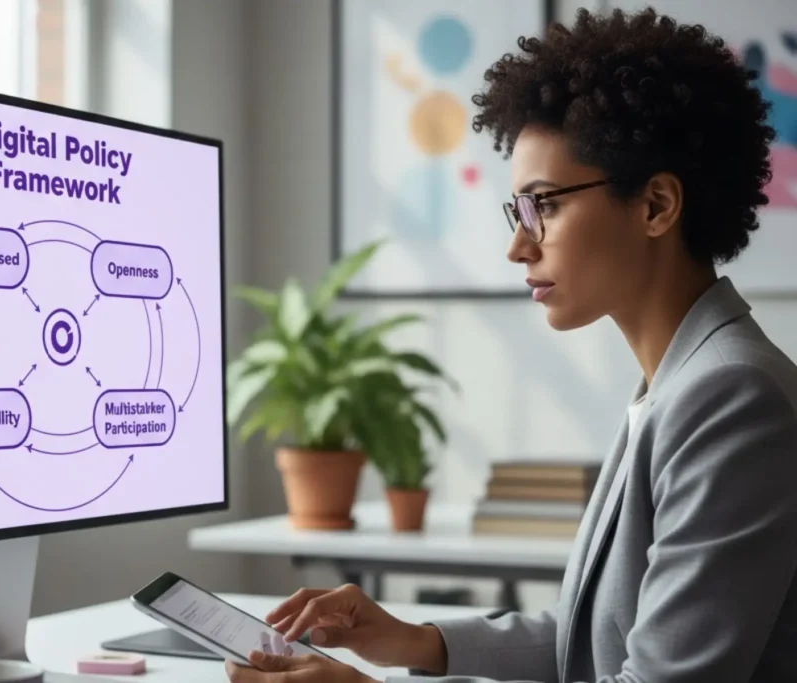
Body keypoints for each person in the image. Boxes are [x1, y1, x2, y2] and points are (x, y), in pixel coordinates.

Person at [226, 7, 797, 683]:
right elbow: (596, 639)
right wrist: (415, 640)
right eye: (517, 211)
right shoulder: (676, 384)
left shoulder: (731, 397)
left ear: (656, 206)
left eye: (544, 205)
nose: (518, 244)